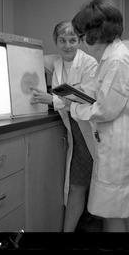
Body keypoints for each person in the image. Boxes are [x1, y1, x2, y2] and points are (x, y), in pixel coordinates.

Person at [63, 0, 129, 232]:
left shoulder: (118, 61)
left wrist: (76, 107)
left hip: (118, 151)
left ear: (94, 35)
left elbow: (105, 109)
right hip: (118, 147)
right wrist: (79, 93)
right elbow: (99, 89)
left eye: (80, 37)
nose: (80, 44)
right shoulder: (111, 57)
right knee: (123, 208)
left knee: (113, 212)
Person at [30, 21, 98, 232]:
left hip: (90, 129)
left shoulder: (89, 64)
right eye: (62, 40)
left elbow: (86, 99)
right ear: (56, 41)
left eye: (72, 40)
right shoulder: (56, 62)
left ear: (80, 40)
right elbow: (31, 59)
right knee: (78, 186)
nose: (68, 45)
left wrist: (52, 100)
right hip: (76, 131)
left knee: (84, 187)